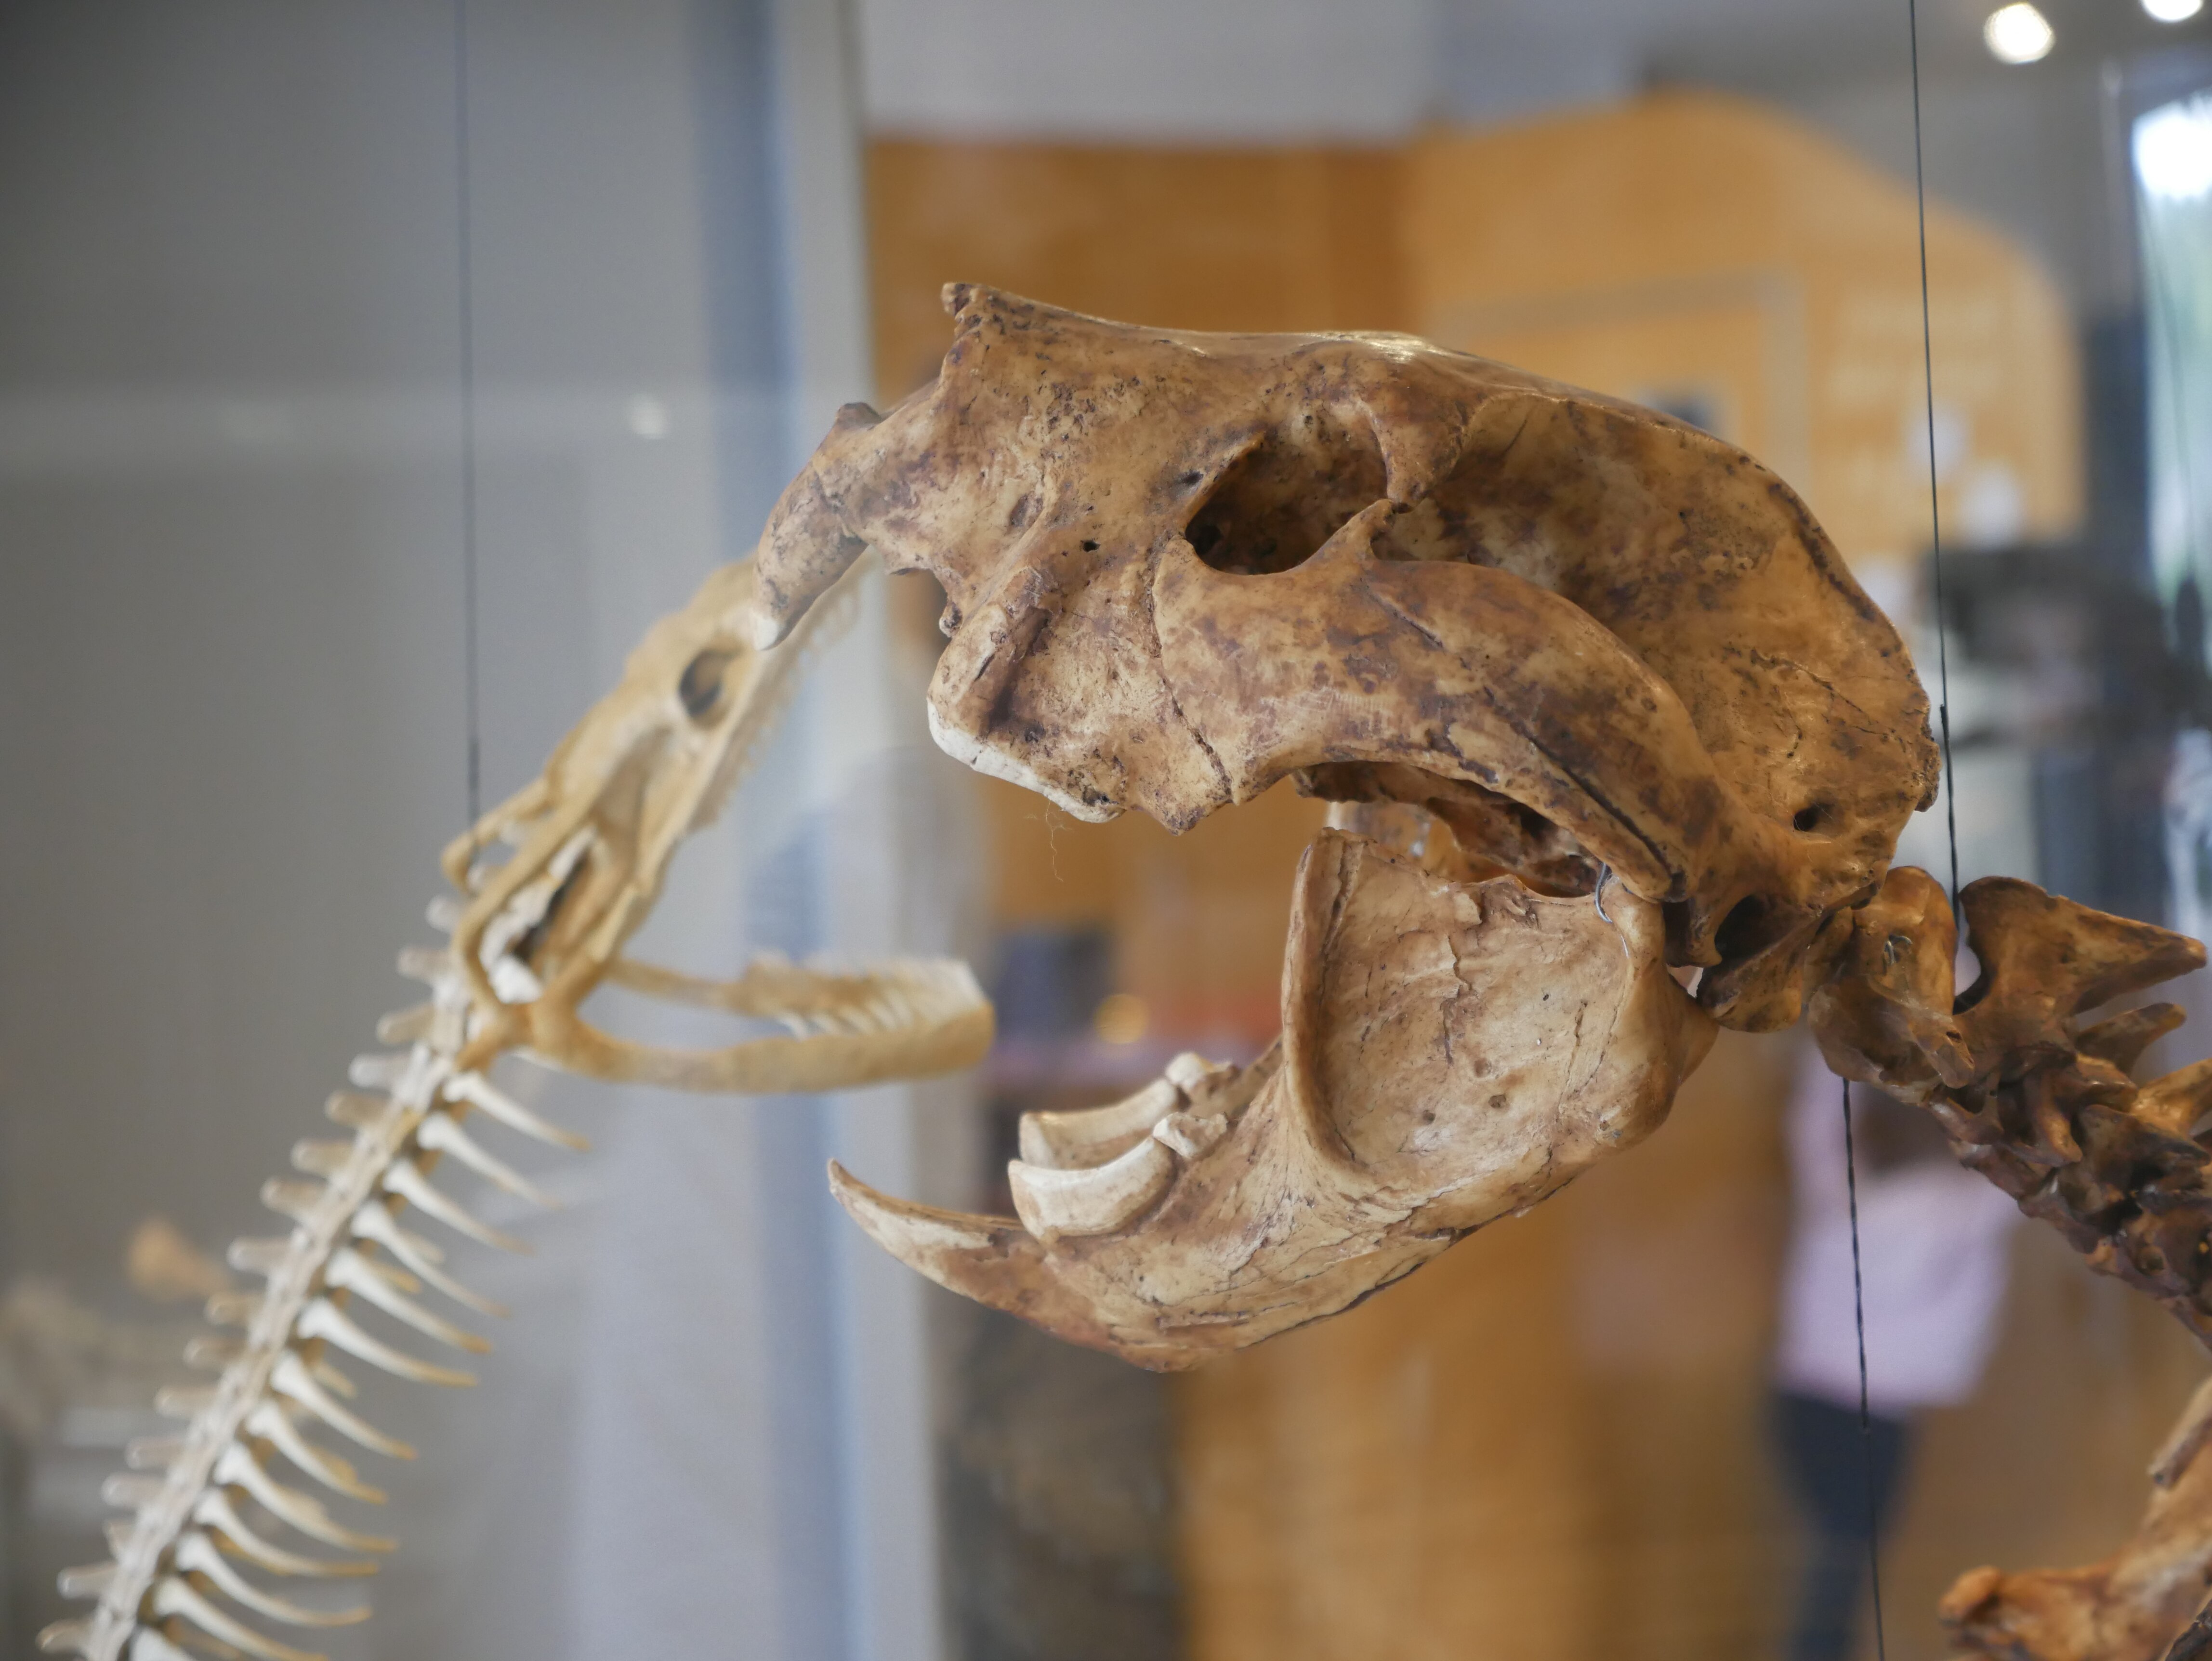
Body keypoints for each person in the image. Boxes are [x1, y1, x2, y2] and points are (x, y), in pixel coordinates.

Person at [1772, 1040, 2020, 1661]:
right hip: (1865, 1414)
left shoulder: (1846, 1191)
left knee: (1839, 1568)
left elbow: (1815, 1117)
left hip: (1810, 1399)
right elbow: (2027, 1165)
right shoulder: (1962, 1205)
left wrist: (1831, 1038)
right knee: (1842, 1569)